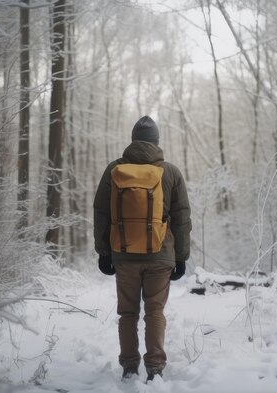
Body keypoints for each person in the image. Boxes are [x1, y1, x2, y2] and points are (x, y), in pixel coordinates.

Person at [93, 115, 191, 382]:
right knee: (155, 311)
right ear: (156, 142)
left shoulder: (114, 169)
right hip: (160, 256)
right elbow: (182, 217)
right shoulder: (170, 172)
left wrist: (104, 252)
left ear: (133, 140)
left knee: (127, 312)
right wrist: (180, 257)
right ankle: (155, 368)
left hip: (123, 254)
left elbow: (101, 211)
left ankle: (128, 366)